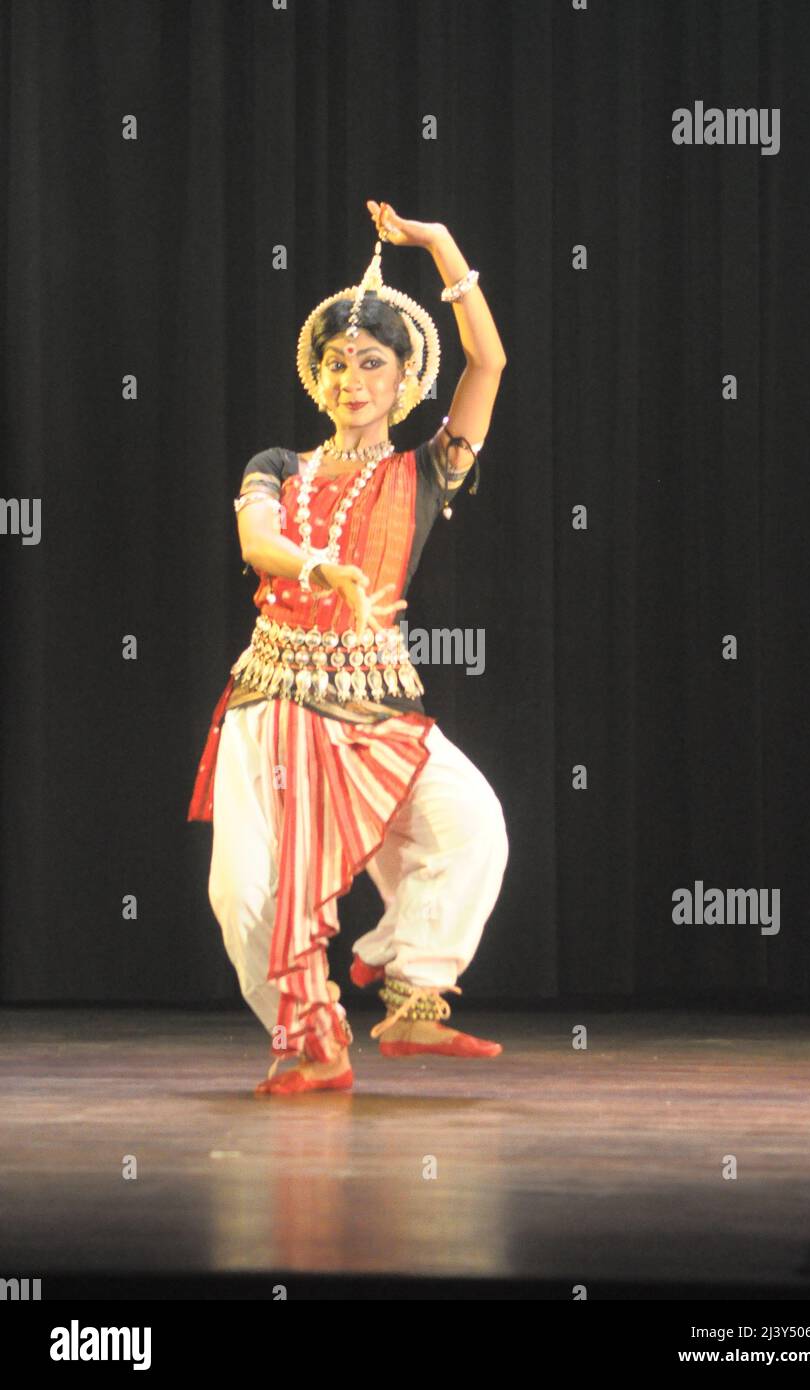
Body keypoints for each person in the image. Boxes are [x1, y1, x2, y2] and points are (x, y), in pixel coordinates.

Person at [187, 199, 509, 1096]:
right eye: (335, 363)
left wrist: (442, 245)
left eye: (372, 362)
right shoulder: (277, 465)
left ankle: (413, 995)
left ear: (406, 380)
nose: (351, 377)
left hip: (375, 705)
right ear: (317, 379)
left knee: (471, 825)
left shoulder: (426, 471)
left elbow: (488, 361)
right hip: (275, 700)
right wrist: (318, 566)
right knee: (242, 894)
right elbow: (257, 542)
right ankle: (308, 1035)